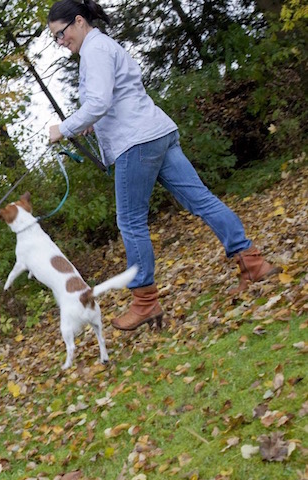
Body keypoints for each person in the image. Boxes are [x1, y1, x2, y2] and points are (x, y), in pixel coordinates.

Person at [45, 0, 281, 331]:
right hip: (157, 133)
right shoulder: (103, 46)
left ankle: (145, 302)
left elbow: (99, 101)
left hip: (137, 143)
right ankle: (253, 262)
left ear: (79, 21)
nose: (60, 41)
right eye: (55, 37)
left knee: (130, 222)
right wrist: (92, 122)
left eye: (61, 33)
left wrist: (64, 128)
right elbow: (111, 100)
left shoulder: (95, 51)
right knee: (201, 199)